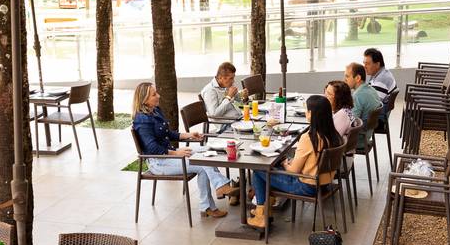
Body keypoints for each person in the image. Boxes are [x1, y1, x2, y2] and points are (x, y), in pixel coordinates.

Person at [132, 82, 239, 218]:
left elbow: (168, 133)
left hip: (168, 155)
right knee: (202, 165)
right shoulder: (142, 120)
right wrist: (176, 153)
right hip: (159, 162)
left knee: (207, 151)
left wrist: (189, 135)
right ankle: (211, 201)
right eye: (154, 94)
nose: (158, 96)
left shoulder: (155, 111)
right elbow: (152, 148)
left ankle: (218, 190)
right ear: (144, 100)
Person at [248, 95, 342, 229]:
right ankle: (265, 209)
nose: (305, 112)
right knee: (271, 168)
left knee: (259, 169)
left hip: (306, 186)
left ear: (311, 114)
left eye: (307, 110)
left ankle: (261, 215)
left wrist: (285, 164)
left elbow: (294, 171)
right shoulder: (333, 135)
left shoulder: (309, 138)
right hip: (324, 184)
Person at [344, 63, 382, 145]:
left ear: (358, 78)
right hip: (366, 135)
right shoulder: (371, 89)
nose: (345, 80)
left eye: (347, 76)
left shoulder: (357, 96)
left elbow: (351, 123)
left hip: (358, 139)